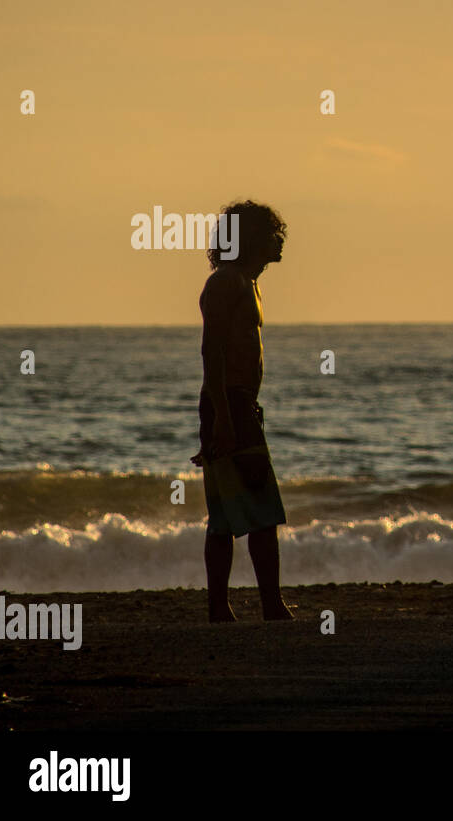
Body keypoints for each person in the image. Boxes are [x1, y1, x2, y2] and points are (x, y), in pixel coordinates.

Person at [189, 200, 292, 622]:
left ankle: (226, 608)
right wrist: (224, 419)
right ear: (249, 239)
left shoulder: (248, 283)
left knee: (231, 511)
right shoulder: (226, 282)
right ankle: (265, 606)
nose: (279, 241)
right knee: (255, 510)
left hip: (239, 404)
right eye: (270, 234)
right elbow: (211, 352)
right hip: (228, 403)